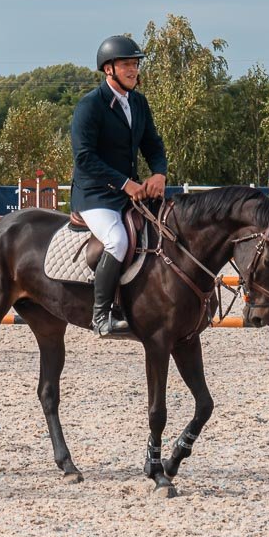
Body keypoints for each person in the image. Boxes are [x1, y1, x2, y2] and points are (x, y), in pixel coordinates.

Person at [70, 35, 168, 336]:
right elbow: (84, 158)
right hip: (95, 195)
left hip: (129, 194)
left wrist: (159, 173)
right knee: (118, 241)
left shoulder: (138, 102)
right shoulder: (90, 106)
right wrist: (126, 184)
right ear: (108, 69)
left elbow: (153, 144)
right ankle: (101, 316)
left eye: (136, 64)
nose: (133, 70)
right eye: (127, 64)